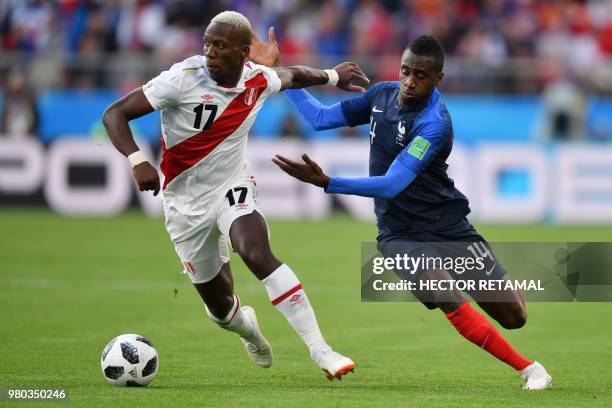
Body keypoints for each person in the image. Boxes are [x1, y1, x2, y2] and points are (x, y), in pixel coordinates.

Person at [250, 32, 553, 390]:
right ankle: (531, 369)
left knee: (514, 317)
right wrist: (280, 74)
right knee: (445, 294)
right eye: (406, 70)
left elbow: (393, 183)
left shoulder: (434, 124)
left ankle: (504, 282)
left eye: (420, 75)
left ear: (438, 79)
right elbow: (318, 118)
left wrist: (328, 183)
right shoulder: (382, 95)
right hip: (399, 234)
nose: (409, 81)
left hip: (448, 227)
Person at [102, 11, 369, 380]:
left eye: (221, 46)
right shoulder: (182, 79)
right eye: (208, 43)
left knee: (256, 253)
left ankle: (322, 350)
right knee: (222, 309)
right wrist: (137, 160)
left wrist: (335, 76)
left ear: (244, 52)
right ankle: (249, 329)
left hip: (232, 186)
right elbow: (115, 113)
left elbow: (292, 76)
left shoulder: (257, 80)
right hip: (184, 205)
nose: (210, 52)